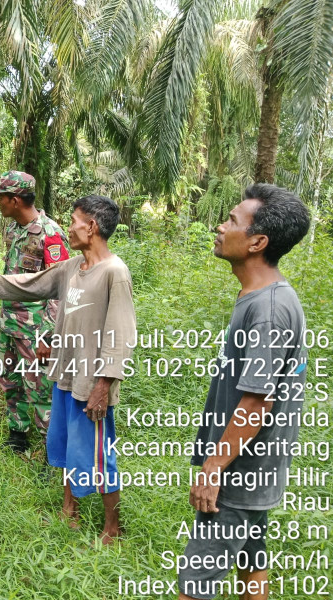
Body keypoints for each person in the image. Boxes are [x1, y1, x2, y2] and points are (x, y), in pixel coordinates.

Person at [0, 195, 136, 543]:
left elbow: (121, 335)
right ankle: (69, 508)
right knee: (68, 444)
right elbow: (35, 283)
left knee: (98, 455)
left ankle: (113, 527)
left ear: (92, 227)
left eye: (74, 220)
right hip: (65, 377)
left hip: (91, 382)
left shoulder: (114, 273)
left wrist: (104, 386)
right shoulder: (72, 267)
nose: (69, 227)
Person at [178, 184, 311, 600]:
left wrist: (215, 468)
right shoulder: (262, 297)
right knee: (252, 567)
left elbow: (257, 402)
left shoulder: (267, 311)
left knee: (194, 586)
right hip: (254, 469)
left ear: (258, 242)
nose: (220, 226)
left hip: (240, 473)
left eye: (232, 220)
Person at [0, 170, 69, 453]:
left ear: (16, 200)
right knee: (11, 381)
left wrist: (47, 336)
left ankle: (52, 450)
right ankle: (18, 434)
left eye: (1, 198)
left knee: (41, 389)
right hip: (10, 324)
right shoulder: (15, 230)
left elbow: (61, 289)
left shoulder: (50, 234)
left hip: (35, 330)